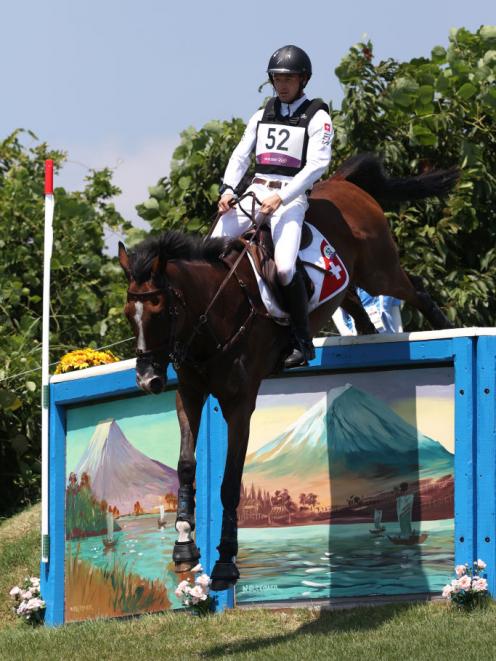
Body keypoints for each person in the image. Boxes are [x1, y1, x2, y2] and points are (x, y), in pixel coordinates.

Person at [213, 45, 334, 367]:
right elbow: (241, 155)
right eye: (277, 79)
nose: (282, 85)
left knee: (284, 267)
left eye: (289, 79)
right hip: (254, 193)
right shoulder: (261, 115)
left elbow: (318, 164)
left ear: (303, 80)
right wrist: (227, 189)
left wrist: (283, 196)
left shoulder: (317, 116)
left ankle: (301, 340)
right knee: (209, 249)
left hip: (289, 200)